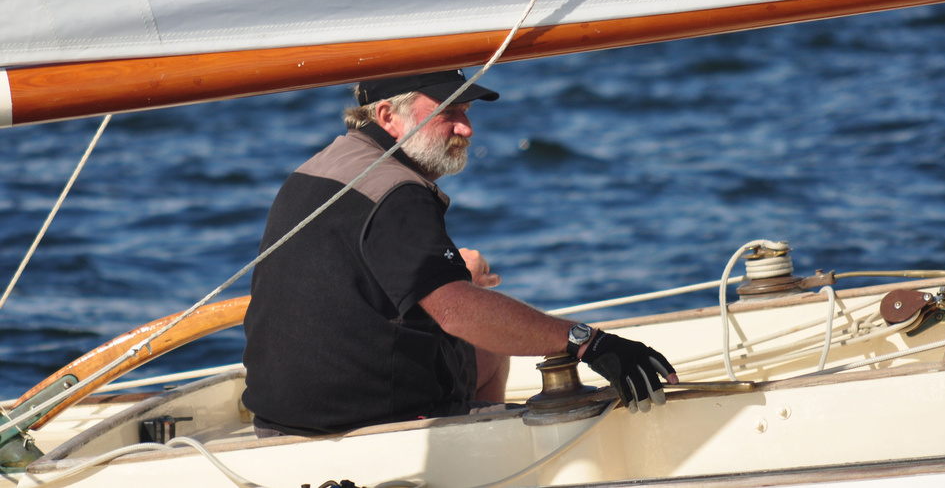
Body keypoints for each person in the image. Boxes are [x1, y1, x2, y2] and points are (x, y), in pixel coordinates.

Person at [242, 69, 677, 436]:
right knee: (488, 328)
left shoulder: (319, 168)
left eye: (465, 112)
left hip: (279, 422)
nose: (466, 129)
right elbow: (457, 313)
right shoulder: (395, 192)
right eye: (447, 113)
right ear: (387, 116)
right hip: (371, 429)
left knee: (488, 347)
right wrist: (589, 342)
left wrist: (454, 279)